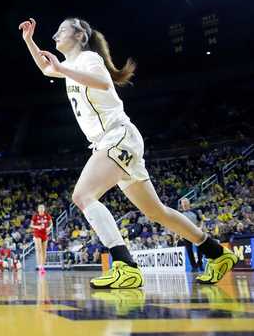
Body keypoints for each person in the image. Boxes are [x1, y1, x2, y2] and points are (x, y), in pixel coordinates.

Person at [18, 17, 237, 288]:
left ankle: (125, 265)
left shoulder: (88, 59)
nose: (54, 36)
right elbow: (45, 67)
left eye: (61, 30)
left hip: (117, 136)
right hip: (115, 141)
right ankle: (216, 253)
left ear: (80, 37)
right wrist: (29, 41)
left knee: (83, 195)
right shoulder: (72, 66)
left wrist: (63, 68)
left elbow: (102, 82)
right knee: (157, 212)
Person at [179, 197, 204, 272]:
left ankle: (200, 262)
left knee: (200, 248)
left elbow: (201, 221)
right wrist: (180, 233)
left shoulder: (195, 211)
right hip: (186, 233)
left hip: (196, 232)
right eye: (183, 203)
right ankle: (194, 266)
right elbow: (179, 225)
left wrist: (200, 227)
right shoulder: (180, 214)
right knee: (189, 250)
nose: (184, 204)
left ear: (189, 203)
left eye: (186, 202)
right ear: (181, 204)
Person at [30, 204, 53, 274]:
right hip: (37, 233)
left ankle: (43, 267)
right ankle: (39, 266)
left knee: (44, 251)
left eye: (42, 207)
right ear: (38, 209)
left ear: (44, 209)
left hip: (44, 234)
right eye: (40, 207)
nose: (41, 208)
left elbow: (51, 223)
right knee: (39, 250)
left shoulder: (47, 215)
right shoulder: (35, 216)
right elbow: (31, 225)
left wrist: (49, 228)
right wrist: (37, 227)